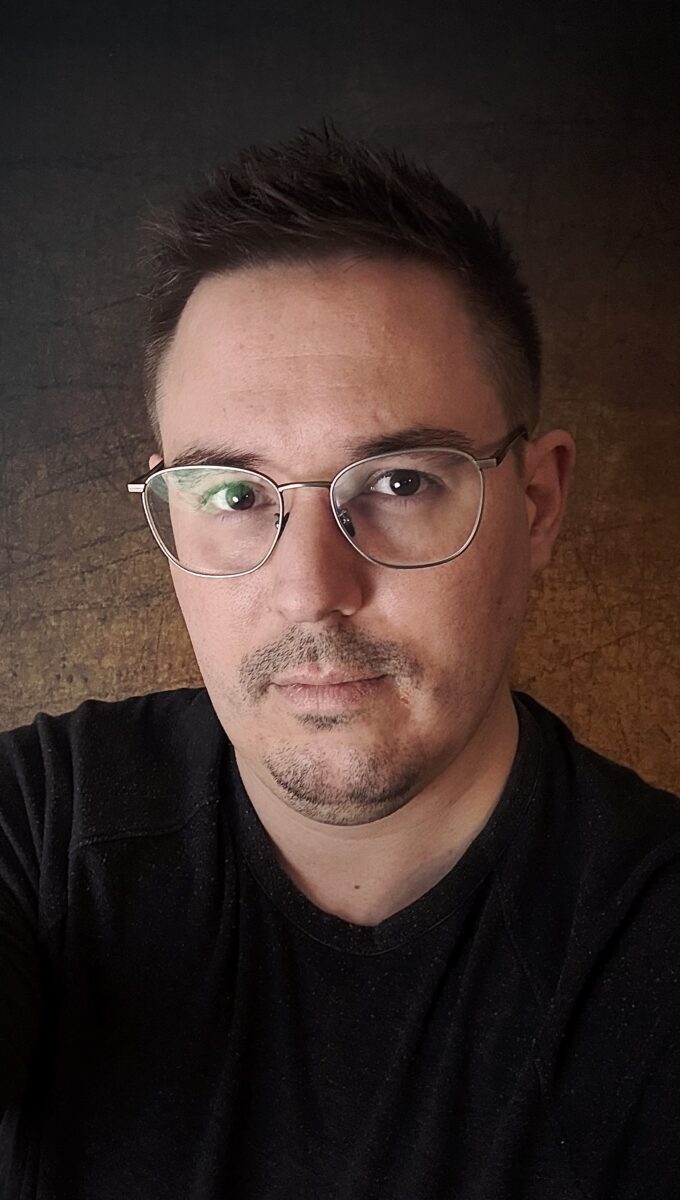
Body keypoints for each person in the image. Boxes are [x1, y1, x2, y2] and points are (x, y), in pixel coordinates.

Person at [1, 124, 678, 1200]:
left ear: (537, 503)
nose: (312, 588)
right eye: (232, 493)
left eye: (400, 482)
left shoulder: (650, 940)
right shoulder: (38, 827)